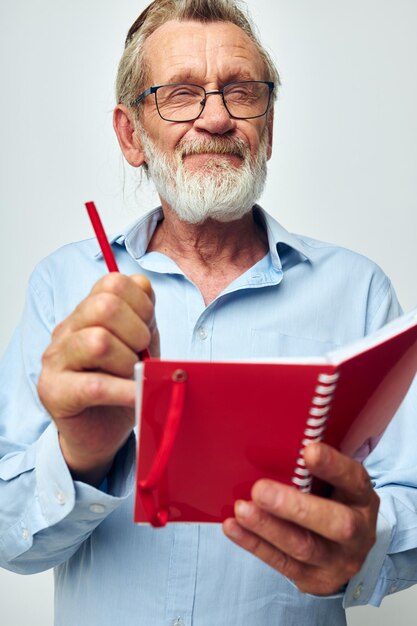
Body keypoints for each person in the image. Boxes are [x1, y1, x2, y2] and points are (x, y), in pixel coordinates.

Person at [1, 1, 417, 624]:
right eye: (181, 94)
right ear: (130, 135)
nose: (217, 118)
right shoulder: (65, 284)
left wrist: (367, 544)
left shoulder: (359, 291)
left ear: (269, 128)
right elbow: (11, 543)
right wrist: (81, 454)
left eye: (241, 93)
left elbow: (409, 500)